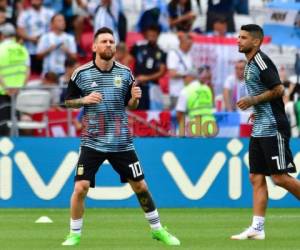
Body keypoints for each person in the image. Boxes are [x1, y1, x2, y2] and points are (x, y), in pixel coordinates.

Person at [61, 27, 180, 246]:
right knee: (80, 188)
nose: (108, 45)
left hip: (121, 142)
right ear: (94, 46)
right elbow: (66, 102)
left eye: (111, 42)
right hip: (92, 141)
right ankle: (74, 233)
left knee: (141, 187)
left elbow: (130, 104)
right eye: (104, 41)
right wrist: (84, 100)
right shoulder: (81, 73)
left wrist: (135, 99)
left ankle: (157, 229)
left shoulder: (125, 73)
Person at [231, 24, 300, 240]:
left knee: (280, 178)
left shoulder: (260, 61)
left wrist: (253, 100)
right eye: (238, 36)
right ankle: (257, 228)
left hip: (273, 127)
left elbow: (278, 89)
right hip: (260, 125)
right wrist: (257, 109)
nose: (238, 40)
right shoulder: (250, 64)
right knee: (256, 176)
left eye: (243, 37)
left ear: (256, 42)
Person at [0, 24, 30, 135]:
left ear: (2, 35)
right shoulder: (23, 49)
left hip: (3, 92)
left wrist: (6, 88)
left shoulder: (0, 48)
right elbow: (27, 72)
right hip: (19, 93)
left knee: (3, 124)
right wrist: (20, 88)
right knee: (16, 122)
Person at [130, 24, 167, 110]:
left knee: (151, 113)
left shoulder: (161, 51)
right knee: (136, 113)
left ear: (158, 35)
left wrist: (146, 78)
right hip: (137, 86)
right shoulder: (139, 46)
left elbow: (162, 71)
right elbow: (127, 60)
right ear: (146, 34)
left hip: (152, 88)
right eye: (150, 34)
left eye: (154, 35)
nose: (151, 36)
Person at [176, 69, 216, 137]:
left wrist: (183, 130)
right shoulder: (206, 88)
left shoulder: (185, 91)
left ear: (191, 77)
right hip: (211, 127)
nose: (183, 79)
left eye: (184, 77)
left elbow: (179, 114)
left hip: (195, 128)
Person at [167, 31, 194, 109]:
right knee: (177, 118)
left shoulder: (189, 55)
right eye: (188, 45)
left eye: (191, 45)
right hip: (177, 93)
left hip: (188, 93)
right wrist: (186, 74)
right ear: (182, 42)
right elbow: (172, 73)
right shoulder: (173, 54)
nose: (189, 47)